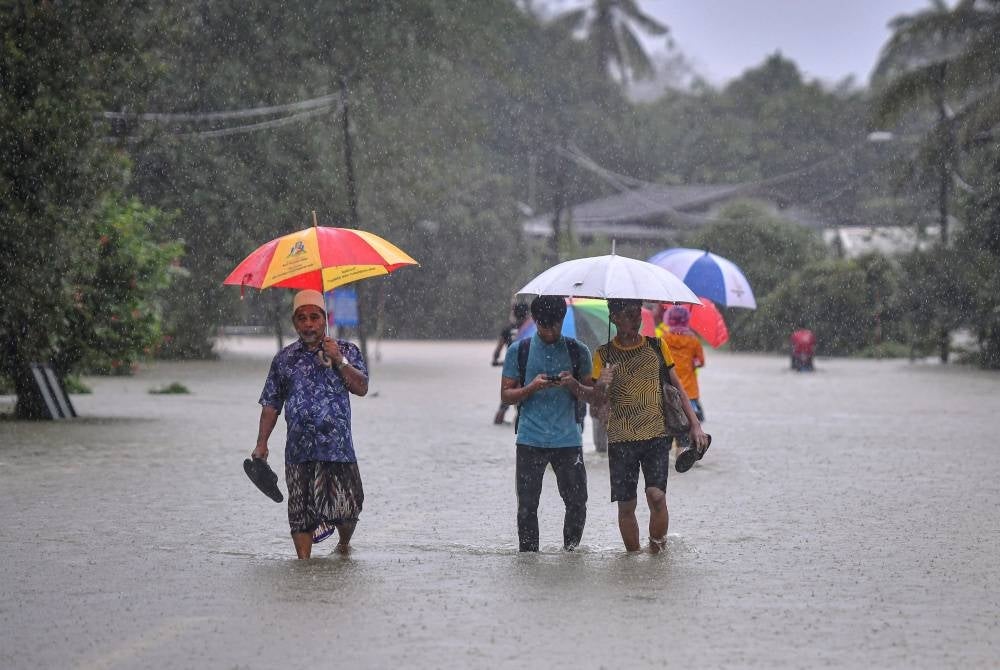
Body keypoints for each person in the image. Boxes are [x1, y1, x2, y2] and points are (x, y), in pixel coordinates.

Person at [252, 289, 369, 559]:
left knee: (347, 510)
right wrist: (261, 444)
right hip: (298, 451)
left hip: (337, 449)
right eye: (302, 318)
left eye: (314, 317)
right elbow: (271, 404)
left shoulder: (347, 351)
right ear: (294, 323)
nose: (308, 324)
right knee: (300, 515)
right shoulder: (284, 360)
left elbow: (361, 387)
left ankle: (343, 546)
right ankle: (303, 568)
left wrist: (338, 360)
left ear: (324, 319)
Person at [592, 298, 709, 554]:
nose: (635, 319)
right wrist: (601, 382)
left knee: (656, 496)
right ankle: (633, 558)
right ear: (614, 318)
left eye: (637, 313)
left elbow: (678, 386)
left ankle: (657, 551)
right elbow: (595, 402)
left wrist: (695, 425)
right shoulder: (603, 355)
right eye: (627, 314)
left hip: (656, 434)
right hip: (621, 438)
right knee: (626, 505)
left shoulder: (657, 346)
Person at [500, 295, 602, 552]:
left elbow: (593, 397)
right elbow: (505, 395)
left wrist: (574, 384)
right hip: (529, 439)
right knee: (526, 506)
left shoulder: (579, 351)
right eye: (544, 326)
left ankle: (570, 553)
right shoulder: (518, 351)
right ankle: (529, 557)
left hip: (568, 439)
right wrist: (531, 387)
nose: (549, 332)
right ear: (534, 321)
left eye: (554, 325)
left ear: (562, 319)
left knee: (577, 502)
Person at [662, 305, 706, 423]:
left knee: (671, 422)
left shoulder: (664, 339)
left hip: (670, 386)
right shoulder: (693, 340)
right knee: (690, 423)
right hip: (689, 390)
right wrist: (692, 363)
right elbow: (700, 362)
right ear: (686, 320)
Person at [491, 302, 530, 424]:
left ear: (514, 313)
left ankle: (500, 417)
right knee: (523, 404)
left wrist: (495, 360)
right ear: (527, 313)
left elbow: (498, 349)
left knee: (505, 401)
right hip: (526, 369)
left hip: (511, 369)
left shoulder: (507, 329)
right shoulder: (532, 328)